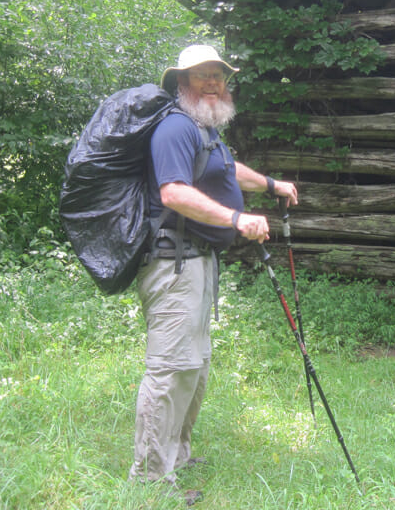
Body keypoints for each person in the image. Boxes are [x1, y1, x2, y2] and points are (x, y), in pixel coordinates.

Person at [130, 44, 298, 491]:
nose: (212, 82)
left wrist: (271, 184)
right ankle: (149, 478)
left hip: (197, 260)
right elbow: (173, 193)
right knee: (171, 368)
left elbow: (227, 169)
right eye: (201, 74)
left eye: (218, 75)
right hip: (172, 264)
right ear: (181, 82)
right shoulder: (174, 128)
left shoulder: (204, 131)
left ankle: (177, 457)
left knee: (195, 365)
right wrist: (236, 219)